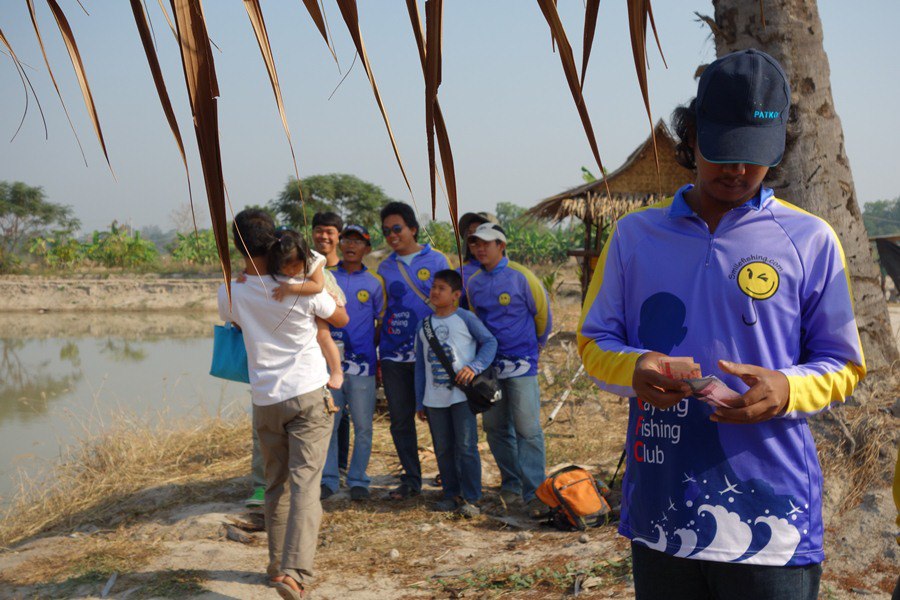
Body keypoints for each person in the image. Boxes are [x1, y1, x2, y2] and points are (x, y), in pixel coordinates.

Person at [577, 49, 865, 600]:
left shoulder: (810, 240)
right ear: (690, 139)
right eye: (722, 152)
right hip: (663, 509)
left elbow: (845, 362)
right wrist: (634, 367)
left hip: (773, 518)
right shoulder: (634, 238)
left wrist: (787, 388)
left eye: (753, 155)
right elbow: (593, 343)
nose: (736, 169)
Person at [219, 209, 349, 598]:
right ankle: (294, 572)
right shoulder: (299, 281)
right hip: (308, 394)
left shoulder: (231, 288)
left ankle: (276, 567)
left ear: (235, 244)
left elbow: (235, 323)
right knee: (306, 486)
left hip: (265, 399)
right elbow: (340, 318)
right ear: (275, 239)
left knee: (275, 485)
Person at [465, 222, 552, 517]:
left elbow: (543, 315)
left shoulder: (522, 277)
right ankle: (512, 484)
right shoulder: (473, 283)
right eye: (475, 244)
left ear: (501, 246)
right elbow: (475, 322)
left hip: (522, 364)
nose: (479, 248)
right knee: (495, 427)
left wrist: (535, 347)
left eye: (486, 244)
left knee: (527, 429)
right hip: (490, 368)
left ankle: (536, 492)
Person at [377, 201, 451, 499]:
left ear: (413, 229)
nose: (392, 235)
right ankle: (410, 479)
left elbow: (451, 303)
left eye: (397, 229)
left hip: (430, 354)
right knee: (400, 419)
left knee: (437, 415)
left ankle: (448, 474)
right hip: (394, 355)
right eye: (386, 231)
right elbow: (381, 311)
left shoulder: (436, 260)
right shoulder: (384, 267)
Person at [414, 269, 497, 517]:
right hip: (434, 398)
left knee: (466, 445)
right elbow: (420, 366)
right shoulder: (424, 325)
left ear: (456, 295)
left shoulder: (465, 318)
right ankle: (450, 494)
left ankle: (472, 497)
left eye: (441, 288)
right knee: (442, 447)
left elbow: (490, 342)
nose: (435, 292)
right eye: (433, 287)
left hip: (461, 396)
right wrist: (420, 400)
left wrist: (474, 367)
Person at [320, 224, 385, 501]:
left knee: (363, 426)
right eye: (347, 239)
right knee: (329, 424)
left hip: (363, 366)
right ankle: (329, 478)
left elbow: (380, 322)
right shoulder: (324, 277)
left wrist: (370, 349)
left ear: (367, 249)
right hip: (326, 365)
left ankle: (359, 478)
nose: (351, 245)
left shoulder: (374, 282)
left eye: (358, 241)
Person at [265, 228, 345, 393]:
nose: (290, 271)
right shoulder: (273, 263)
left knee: (323, 335)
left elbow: (317, 286)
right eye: (285, 268)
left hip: (321, 289)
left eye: (295, 265)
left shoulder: (314, 261)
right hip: (306, 297)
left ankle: (336, 370)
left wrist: (290, 289)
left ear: (304, 256)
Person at [312, 212, 352, 475]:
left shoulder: (350, 269)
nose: (324, 237)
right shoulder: (306, 268)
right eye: (319, 231)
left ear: (339, 236)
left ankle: (339, 468)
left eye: (330, 232)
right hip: (313, 355)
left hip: (349, 355)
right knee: (320, 414)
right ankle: (324, 472)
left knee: (343, 414)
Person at [457, 212, 499, 309]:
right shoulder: (460, 275)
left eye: (480, 233)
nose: (475, 239)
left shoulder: (519, 276)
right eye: (470, 233)